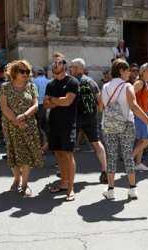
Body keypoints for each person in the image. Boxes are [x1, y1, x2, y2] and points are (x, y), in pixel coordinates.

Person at [100, 59, 148, 200]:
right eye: (128, 71)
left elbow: (101, 107)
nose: (130, 74)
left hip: (109, 125)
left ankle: (111, 190)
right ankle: (132, 189)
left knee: (112, 157)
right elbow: (134, 107)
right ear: (121, 71)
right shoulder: (127, 86)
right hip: (126, 125)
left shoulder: (105, 86)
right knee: (128, 157)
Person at [0, 60, 43, 196]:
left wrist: (24, 116)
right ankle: (17, 178)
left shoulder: (31, 86)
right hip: (11, 125)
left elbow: (36, 105)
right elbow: (4, 107)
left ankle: (25, 184)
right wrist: (17, 121)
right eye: (22, 71)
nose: (25, 74)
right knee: (13, 152)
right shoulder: (5, 86)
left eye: (27, 72)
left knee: (26, 155)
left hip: (28, 125)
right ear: (14, 72)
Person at [44, 53, 79, 201]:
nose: (54, 65)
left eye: (57, 63)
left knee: (68, 154)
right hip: (54, 123)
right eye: (53, 63)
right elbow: (46, 104)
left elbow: (67, 102)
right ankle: (64, 183)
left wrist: (53, 100)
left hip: (68, 124)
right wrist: (57, 100)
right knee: (58, 154)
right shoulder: (50, 84)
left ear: (64, 66)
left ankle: (71, 189)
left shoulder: (72, 82)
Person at [70, 58, 108, 183]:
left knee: (69, 145)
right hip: (91, 116)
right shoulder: (92, 82)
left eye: (73, 67)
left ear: (78, 68)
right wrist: (98, 112)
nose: (71, 69)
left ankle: (65, 171)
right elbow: (99, 100)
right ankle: (105, 171)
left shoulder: (72, 82)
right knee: (97, 143)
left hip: (75, 117)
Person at [132, 63, 148, 171]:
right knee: (146, 140)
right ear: (143, 72)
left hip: (143, 115)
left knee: (141, 140)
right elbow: (129, 94)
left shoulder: (143, 83)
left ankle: (138, 163)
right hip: (139, 115)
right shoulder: (140, 83)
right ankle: (130, 159)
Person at [33, 67, 49, 151]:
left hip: (39, 105)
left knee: (38, 125)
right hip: (47, 104)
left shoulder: (35, 81)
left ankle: (41, 144)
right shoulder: (48, 81)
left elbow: (35, 94)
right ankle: (48, 142)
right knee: (45, 124)